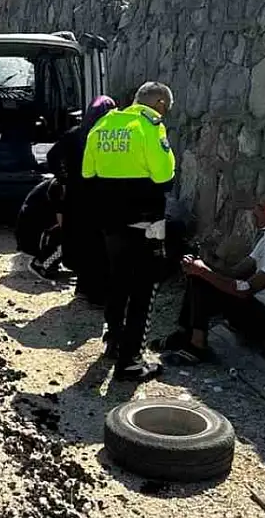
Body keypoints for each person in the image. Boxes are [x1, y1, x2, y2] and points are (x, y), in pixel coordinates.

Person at [82, 81, 177, 381]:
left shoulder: (105, 124)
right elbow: (164, 176)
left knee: (117, 281)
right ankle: (131, 361)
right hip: (144, 225)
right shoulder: (150, 126)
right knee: (143, 290)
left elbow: (88, 173)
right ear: (159, 104)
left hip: (110, 224)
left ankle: (113, 340)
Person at [155, 188, 265, 365]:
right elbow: (237, 272)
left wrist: (203, 271)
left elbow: (245, 290)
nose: (255, 211)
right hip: (256, 307)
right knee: (200, 276)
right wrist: (203, 264)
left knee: (203, 278)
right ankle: (186, 334)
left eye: (261, 208)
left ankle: (197, 347)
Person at [47, 94, 116, 303]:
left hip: (75, 196)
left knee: (81, 241)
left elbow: (52, 156)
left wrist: (64, 177)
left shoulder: (74, 134)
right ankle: (96, 294)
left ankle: (83, 287)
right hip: (98, 196)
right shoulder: (106, 136)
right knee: (98, 245)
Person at [15, 176, 64, 279]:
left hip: (35, 229)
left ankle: (49, 260)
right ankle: (42, 264)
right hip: (31, 235)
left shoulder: (62, 181)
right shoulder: (59, 186)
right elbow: (62, 224)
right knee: (70, 238)